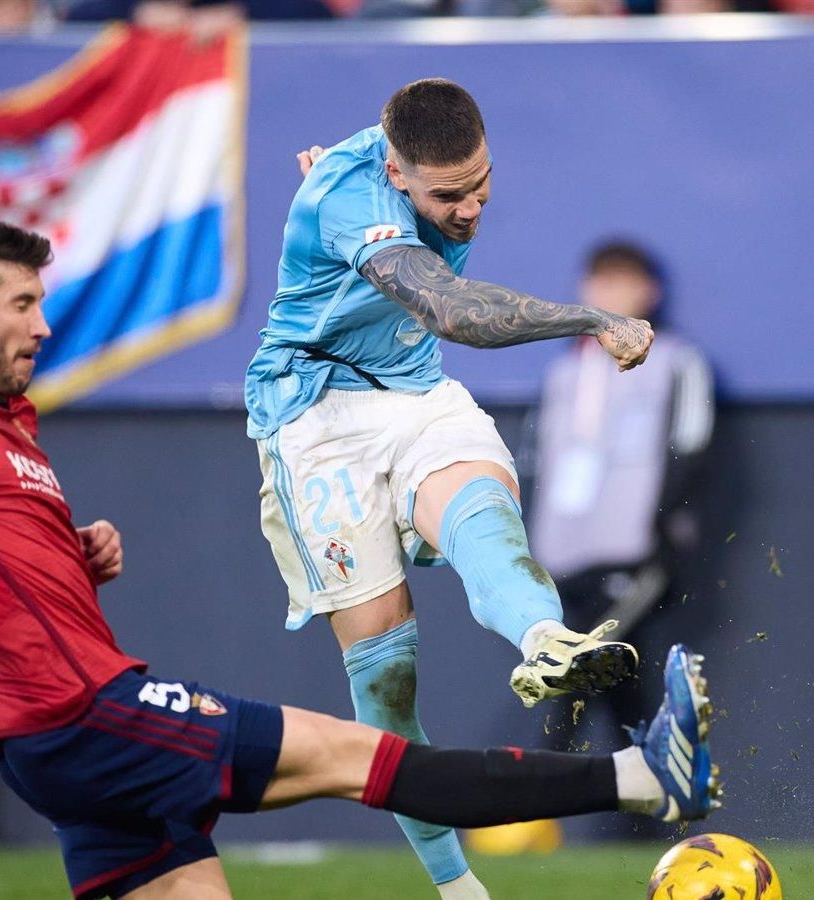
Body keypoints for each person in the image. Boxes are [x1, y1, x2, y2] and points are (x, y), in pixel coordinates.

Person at [0, 221, 719, 900]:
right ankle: (638, 777)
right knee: (365, 760)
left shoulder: (6, 427)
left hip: (52, 747)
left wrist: (75, 553)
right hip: (87, 713)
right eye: (21, 306)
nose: (43, 325)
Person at [246, 78, 657, 896]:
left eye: (480, 184)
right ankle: (454, 882)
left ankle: (547, 640)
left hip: (414, 390)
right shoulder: (347, 195)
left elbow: (396, 232)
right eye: (448, 196)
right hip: (313, 415)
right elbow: (450, 308)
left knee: (481, 510)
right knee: (386, 677)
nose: (470, 209)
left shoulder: (389, 162)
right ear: (399, 176)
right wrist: (589, 320)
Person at [527, 240, 713, 829]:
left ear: (649, 291)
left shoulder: (677, 362)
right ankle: (663, 805)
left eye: (623, 283)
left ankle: (527, 808)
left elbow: (692, 446)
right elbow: (539, 459)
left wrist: (660, 530)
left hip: (633, 554)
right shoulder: (565, 371)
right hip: (561, 555)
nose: (609, 295)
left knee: (576, 671)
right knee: (617, 683)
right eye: (599, 283)